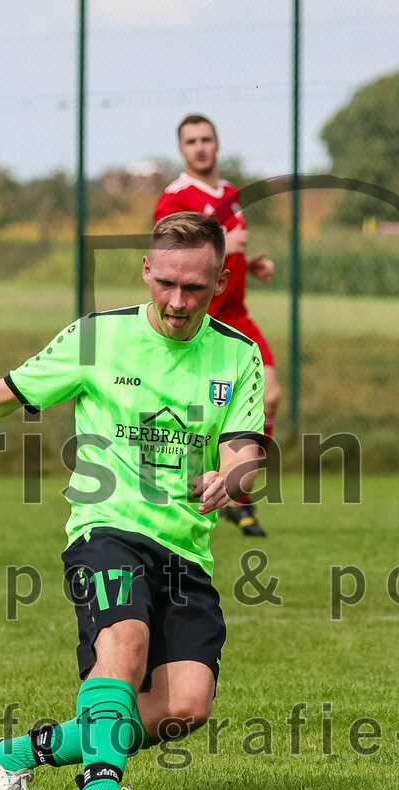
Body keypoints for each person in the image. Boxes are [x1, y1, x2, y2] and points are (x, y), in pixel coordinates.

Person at [0, 212, 265, 790]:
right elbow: (4, 391)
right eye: (166, 284)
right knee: (124, 646)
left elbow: (245, 451)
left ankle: (13, 754)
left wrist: (229, 478)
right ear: (145, 271)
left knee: (186, 705)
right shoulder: (98, 338)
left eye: (194, 288)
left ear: (220, 282)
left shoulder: (237, 355)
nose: (178, 301)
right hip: (105, 530)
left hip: (186, 550)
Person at [155, 114, 277, 538]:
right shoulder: (174, 197)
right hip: (198, 318)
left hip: (237, 314)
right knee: (194, 408)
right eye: (191, 141)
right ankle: (207, 487)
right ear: (181, 150)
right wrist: (228, 238)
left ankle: (234, 490)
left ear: (218, 143)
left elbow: (222, 254)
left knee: (272, 394)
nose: (200, 147)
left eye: (206, 139)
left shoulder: (231, 193)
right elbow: (175, 255)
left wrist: (248, 263)